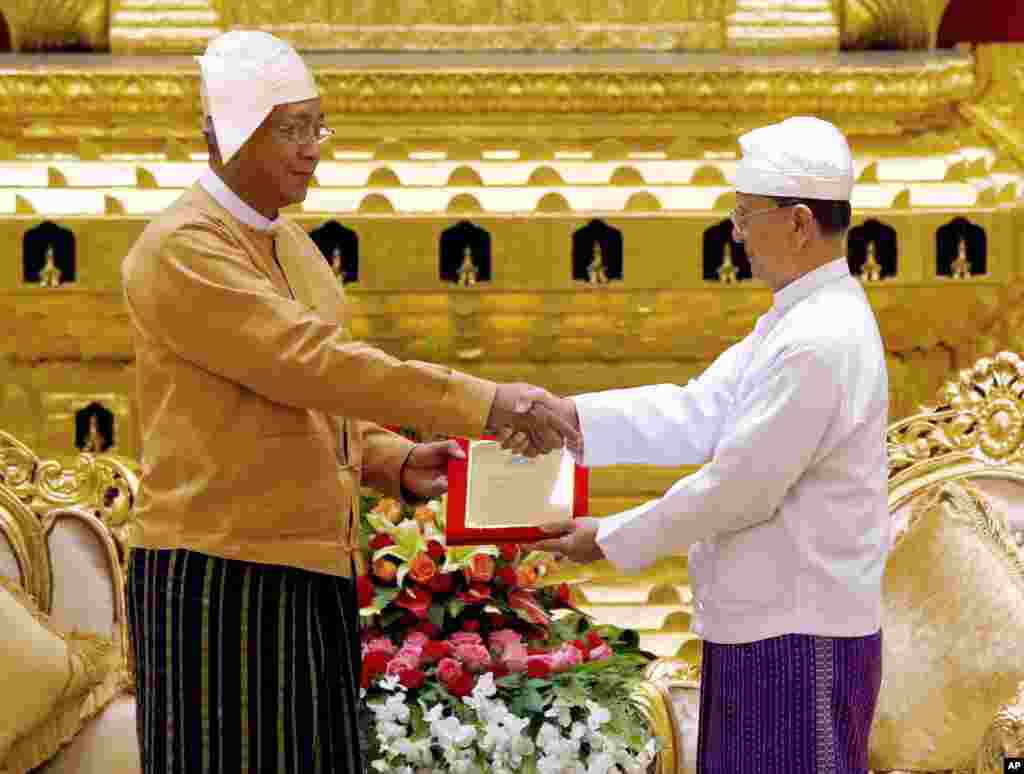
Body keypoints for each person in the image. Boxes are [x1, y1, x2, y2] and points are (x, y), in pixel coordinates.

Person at [120, 30, 578, 774]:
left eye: (316, 126)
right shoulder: (184, 247)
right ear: (228, 136)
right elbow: (308, 363)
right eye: (291, 129)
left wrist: (392, 460)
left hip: (313, 566)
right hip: (219, 570)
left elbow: (316, 399)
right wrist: (482, 402)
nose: (311, 148)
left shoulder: (292, 247)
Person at [524, 117, 890, 774]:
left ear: (800, 223)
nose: (736, 233)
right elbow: (699, 409)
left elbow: (740, 488)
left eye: (746, 215)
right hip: (761, 628)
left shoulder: (820, 337)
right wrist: (569, 417)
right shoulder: (796, 320)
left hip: (800, 638)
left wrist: (612, 536)